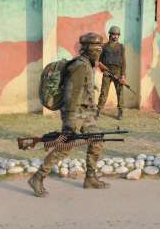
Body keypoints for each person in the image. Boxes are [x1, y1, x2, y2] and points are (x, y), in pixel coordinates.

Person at [28, 33, 109, 197]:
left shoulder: (88, 64)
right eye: (96, 47)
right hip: (74, 114)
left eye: (100, 46)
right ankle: (37, 177)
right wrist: (70, 123)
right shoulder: (80, 66)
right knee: (66, 147)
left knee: (96, 140)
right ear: (87, 49)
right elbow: (71, 94)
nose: (99, 50)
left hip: (85, 113)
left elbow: (85, 92)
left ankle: (90, 178)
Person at [96, 26, 126, 120]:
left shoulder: (121, 47)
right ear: (110, 34)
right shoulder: (104, 47)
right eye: (114, 34)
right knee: (104, 93)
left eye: (117, 35)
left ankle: (120, 112)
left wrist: (123, 75)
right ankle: (98, 111)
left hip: (118, 72)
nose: (116, 36)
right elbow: (99, 61)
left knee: (120, 93)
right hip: (107, 73)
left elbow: (124, 62)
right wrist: (103, 70)